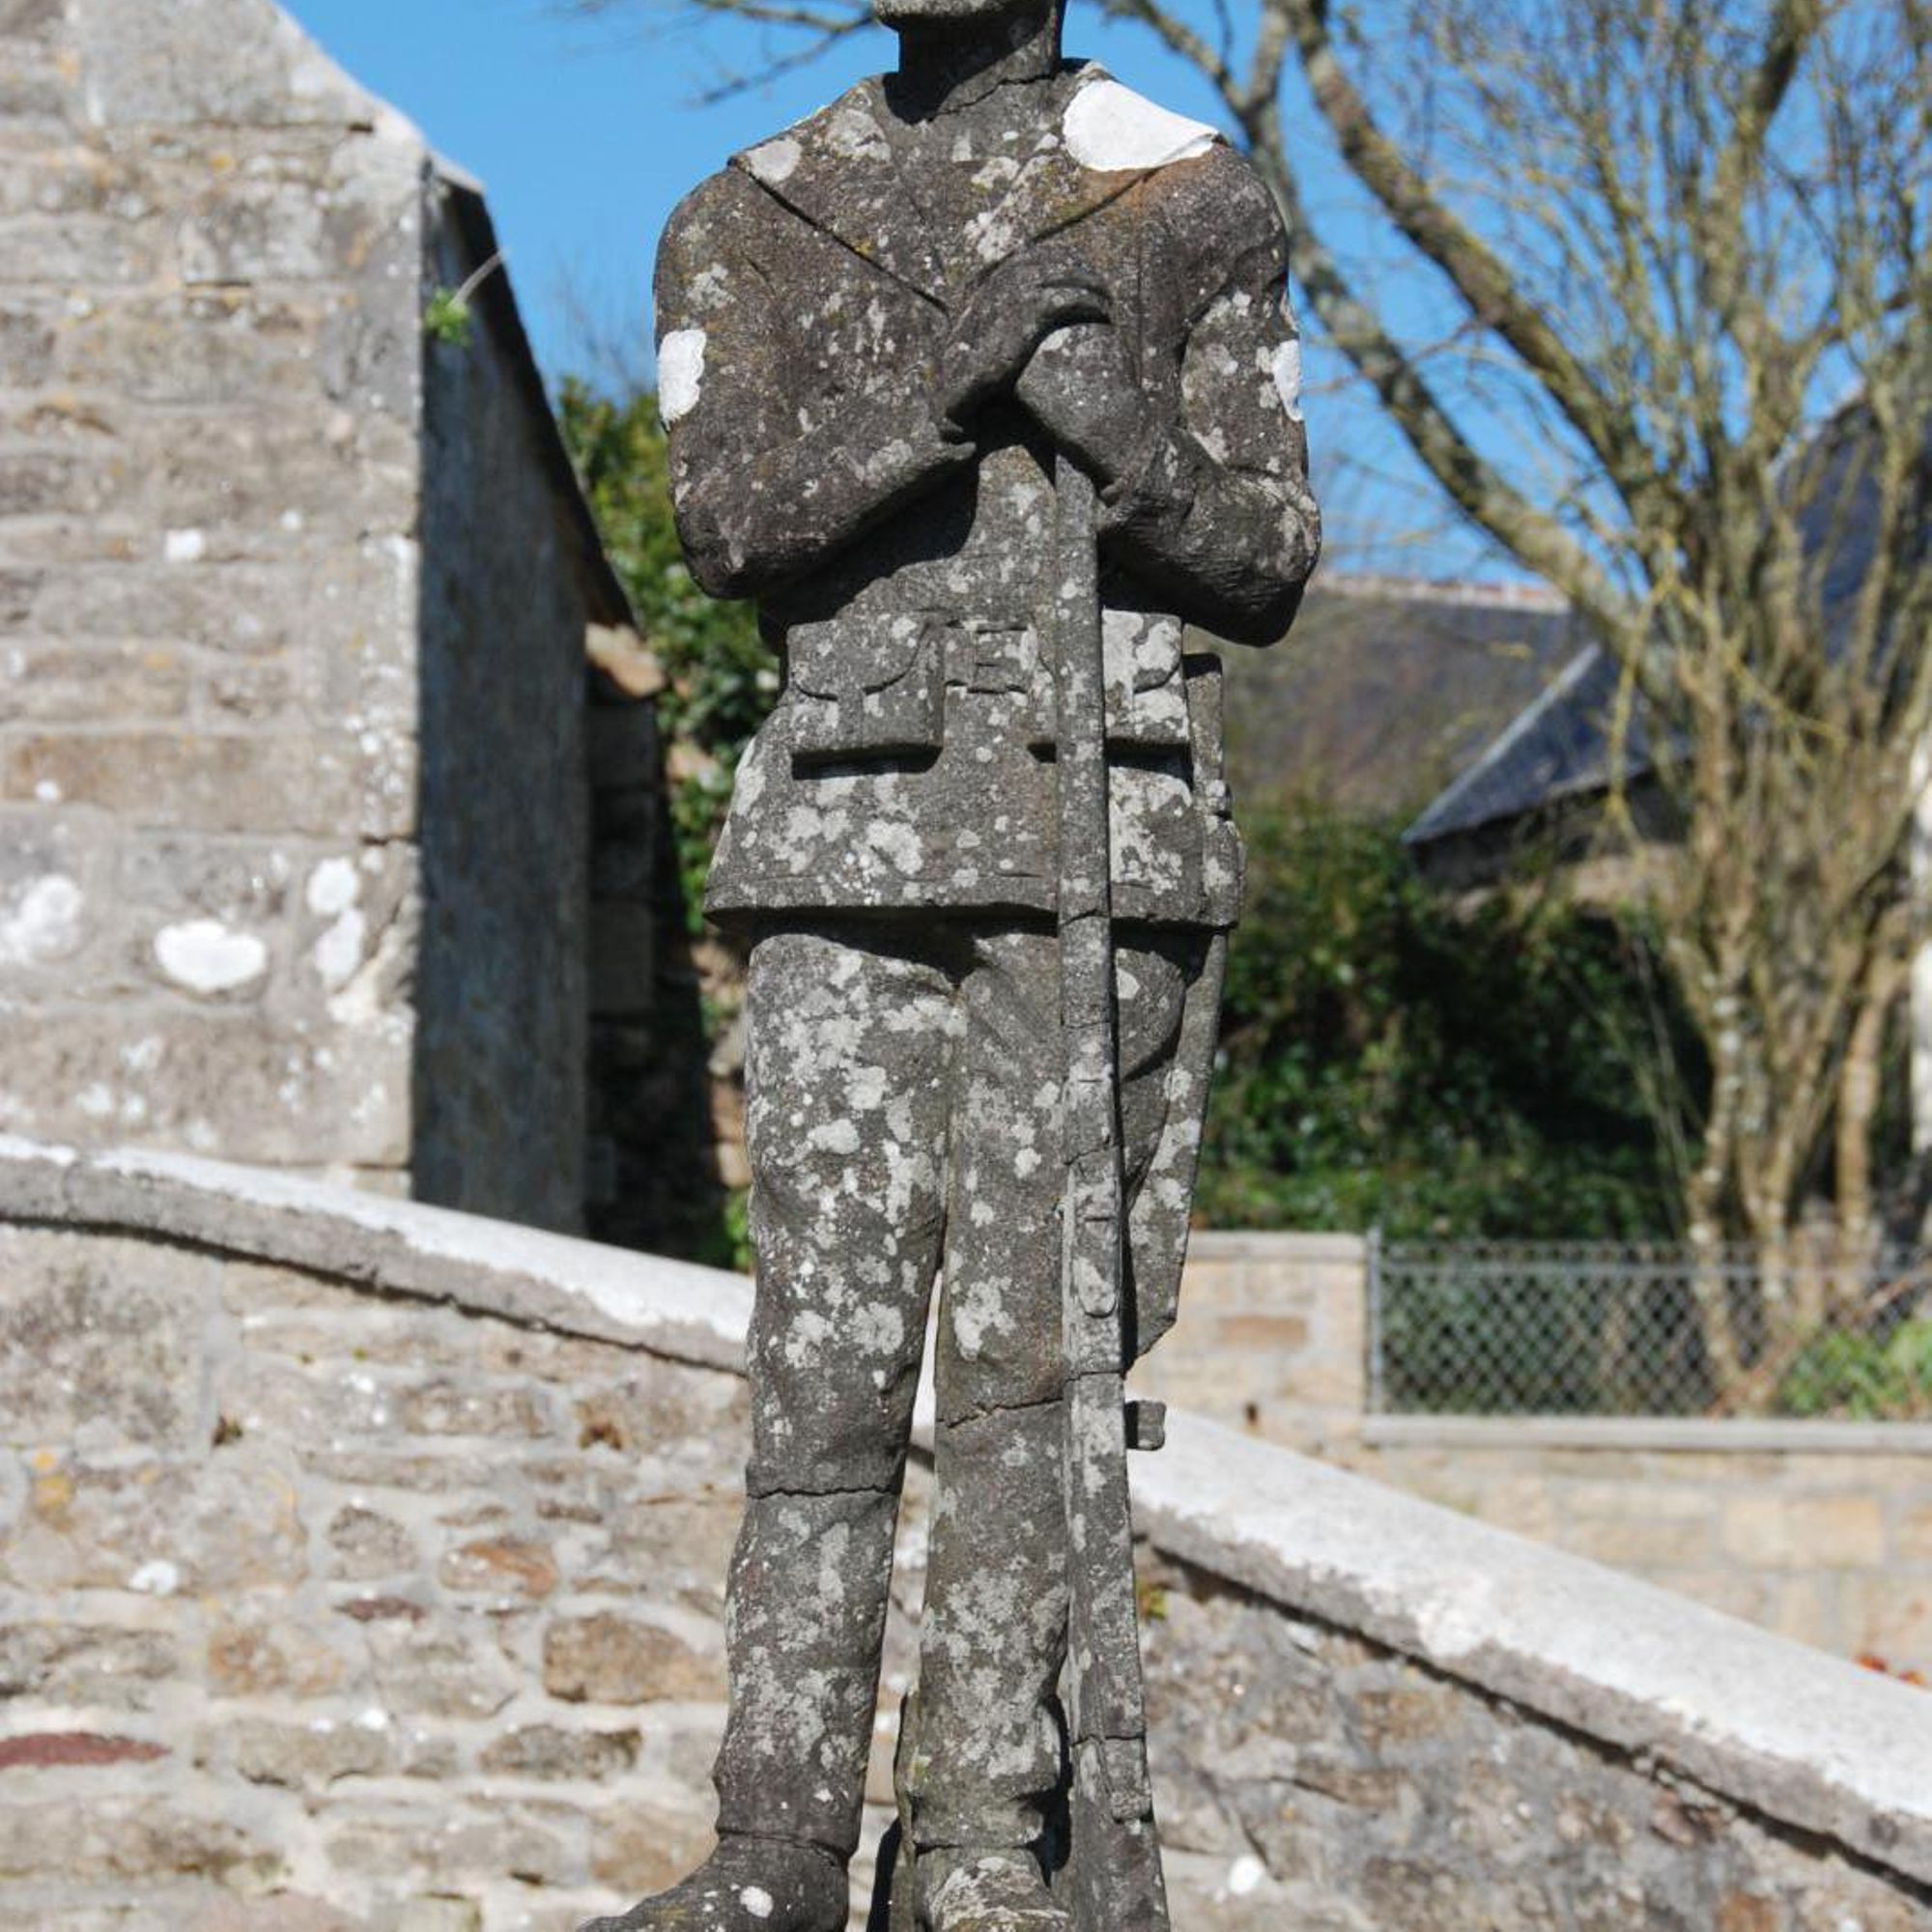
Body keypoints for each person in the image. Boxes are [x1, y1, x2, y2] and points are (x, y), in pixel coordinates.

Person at [586, 0, 1317, 1920]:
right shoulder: (748, 212)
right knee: (819, 1382)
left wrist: (1119, 432)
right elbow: (724, 524)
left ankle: (983, 1840)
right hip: (846, 838)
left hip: (1101, 839)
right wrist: (941, 384)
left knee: (1038, 1382)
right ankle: (772, 1852)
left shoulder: (1187, 198)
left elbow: (1267, 552)